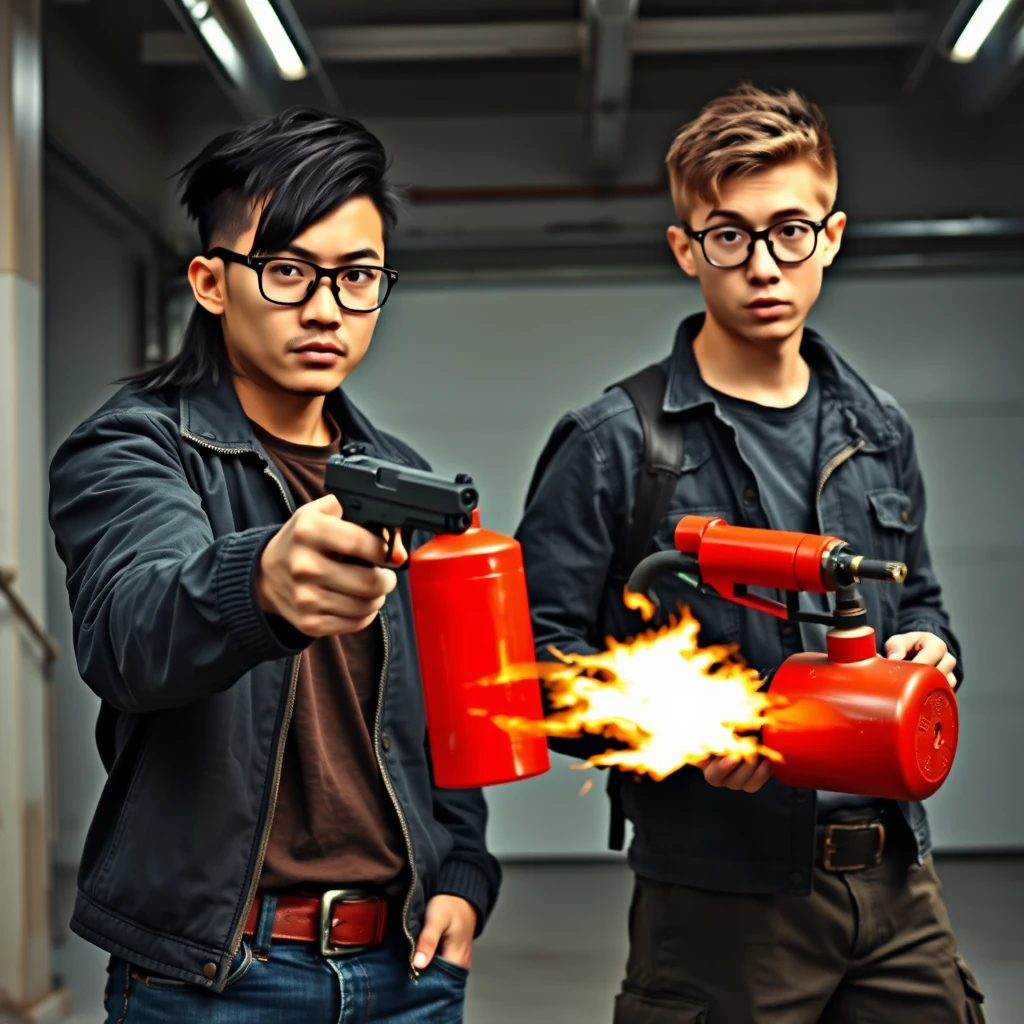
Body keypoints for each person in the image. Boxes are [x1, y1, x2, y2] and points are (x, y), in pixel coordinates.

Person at [514, 84, 985, 1024]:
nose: (764, 265)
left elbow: (920, 599)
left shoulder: (878, 428)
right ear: (687, 248)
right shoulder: (615, 443)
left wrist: (933, 651)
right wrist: (692, 731)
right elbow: (530, 671)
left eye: (790, 231)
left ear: (833, 234)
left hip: (896, 880)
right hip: (718, 899)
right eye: (729, 235)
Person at [49, 107, 500, 1024]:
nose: (327, 307)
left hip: (406, 970)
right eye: (288, 271)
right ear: (211, 282)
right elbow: (130, 635)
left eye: (358, 276)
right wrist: (258, 581)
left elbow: (443, 716)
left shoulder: (405, 477)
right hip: (217, 977)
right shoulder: (136, 448)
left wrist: (462, 871)